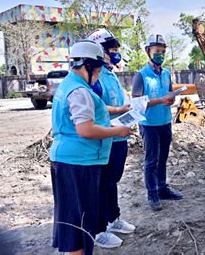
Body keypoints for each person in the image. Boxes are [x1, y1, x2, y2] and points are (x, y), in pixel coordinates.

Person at [50, 40, 131, 255]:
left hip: (69, 160)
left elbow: (92, 113)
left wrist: (113, 119)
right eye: (97, 70)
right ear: (87, 66)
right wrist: (117, 131)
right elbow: (85, 129)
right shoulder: (79, 90)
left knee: (73, 220)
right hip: (79, 163)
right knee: (79, 225)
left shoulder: (69, 85)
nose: (98, 74)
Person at [86, 28, 135, 249]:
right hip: (105, 138)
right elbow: (96, 107)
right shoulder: (94, 77)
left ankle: (113, 219)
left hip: (118, 137)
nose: (115, 53)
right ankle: (98, 230)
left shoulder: (111, 72)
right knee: (99, 185)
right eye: (111, 49)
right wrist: (118, 109)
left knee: (112, 181)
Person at [131, 34, 183, 211]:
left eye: (162, 51)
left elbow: (168, 94)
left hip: (165, 122)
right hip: (149, 125)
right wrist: (160, 100)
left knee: (163, 158)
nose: (160, 54)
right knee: (151, 160)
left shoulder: (167, 73)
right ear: (148, 52)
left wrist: (171, 100)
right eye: (156, 51)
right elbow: (137, 104)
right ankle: (152, 193)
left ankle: (162, 189)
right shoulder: (141, 75)